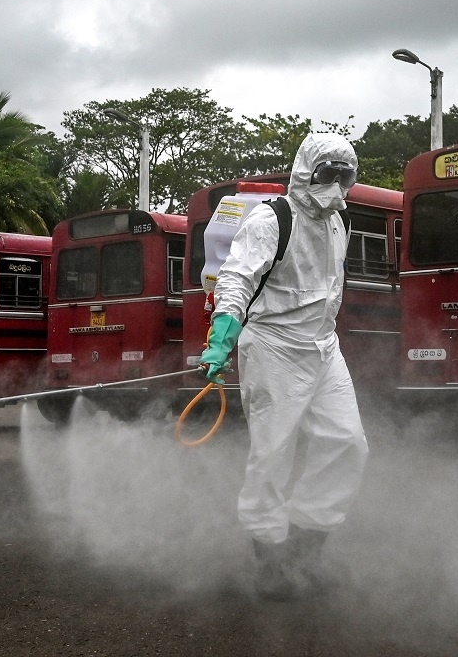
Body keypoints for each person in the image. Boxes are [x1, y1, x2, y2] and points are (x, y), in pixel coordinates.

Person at [200, 132, 368, 602]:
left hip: (323, 347)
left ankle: (304, 551)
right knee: (273, 455)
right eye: (327, 177)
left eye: (345, 178)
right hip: (274, 347)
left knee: (348, 443)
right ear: (304, 173)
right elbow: (236, 277)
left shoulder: (341, 221)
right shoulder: (271, 219)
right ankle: (271, 563)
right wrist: (222, 337)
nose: (336, 188)